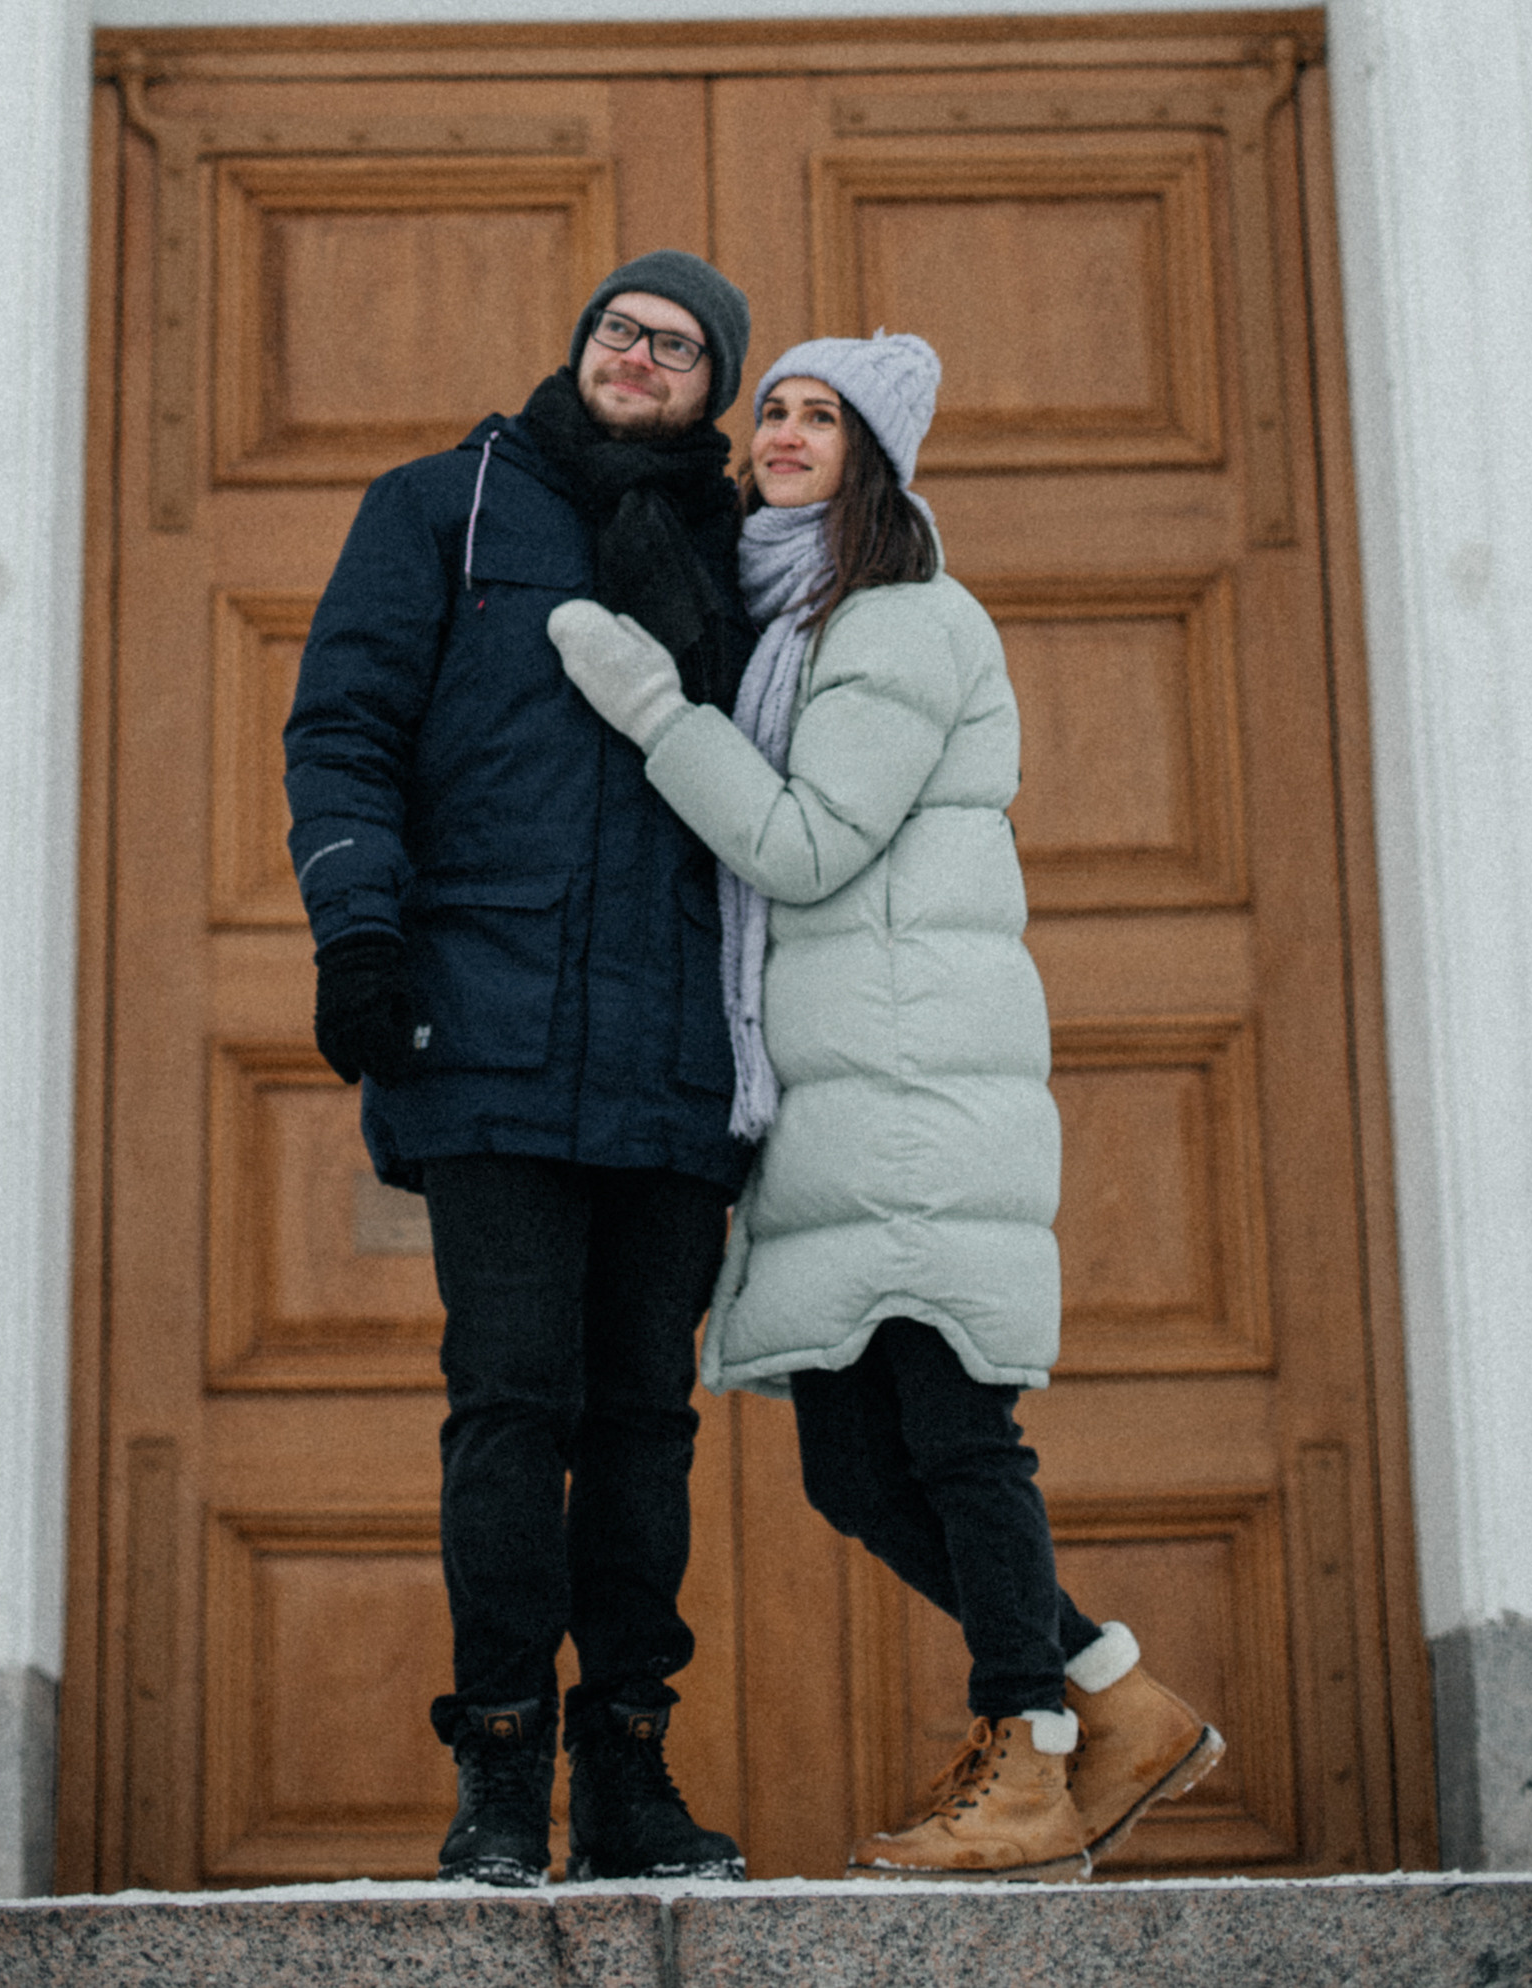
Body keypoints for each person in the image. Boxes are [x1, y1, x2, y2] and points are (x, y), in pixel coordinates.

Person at [547, 330, 1224, 1879]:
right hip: (847, 1085)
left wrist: (654, 712)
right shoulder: (799, 619)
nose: (781, 436)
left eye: (821, 418)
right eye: (773, 411)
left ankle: (1028, 1753)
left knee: (953, 1429)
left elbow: (803, 846)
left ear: (876, 457)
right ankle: (1117, 1700)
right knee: (853, 1469)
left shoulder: (899, 619)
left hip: (913, 1079)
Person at [283, 251, 756, 1890]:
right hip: (483, 1023)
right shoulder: (442, 507)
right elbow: (344, 726)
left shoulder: (740, 547)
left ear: (713, 388)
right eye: (622, 330)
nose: (639, 358)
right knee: (509, 1402)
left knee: (642, 1421)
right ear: (581, 343)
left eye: (679, 348)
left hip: (676, 1046)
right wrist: (358, 932)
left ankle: (626, 1772)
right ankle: (497, 1770)